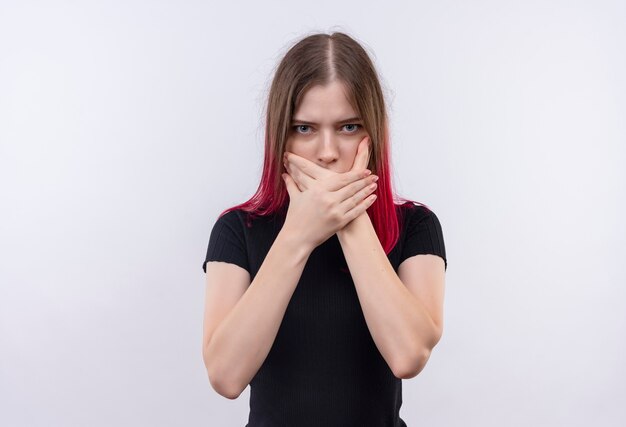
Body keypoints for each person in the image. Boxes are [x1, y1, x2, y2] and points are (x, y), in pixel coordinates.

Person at [201, 31, 447, 427]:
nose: (328, 151)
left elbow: (408, 355)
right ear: (280, 134)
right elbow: (226, 377)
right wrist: (298, 236)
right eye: (304, 128)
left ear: (373, 131)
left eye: (348, 127)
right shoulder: (238, 229)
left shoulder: (416, 226)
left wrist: (349, 218)